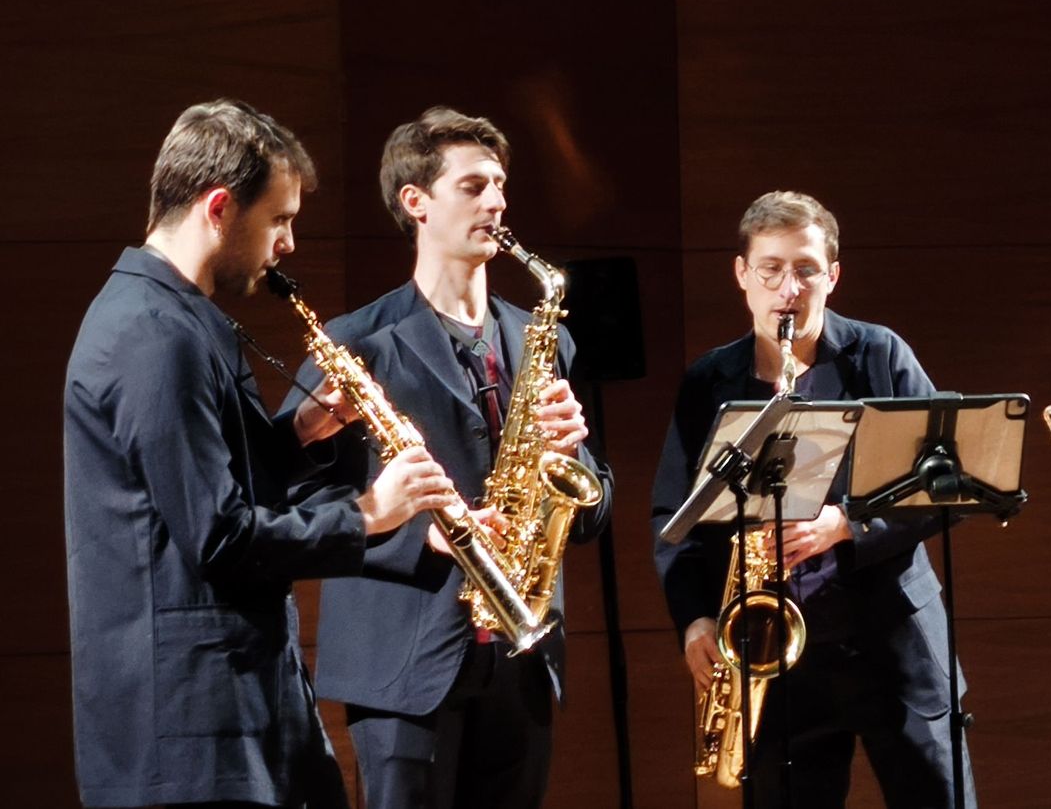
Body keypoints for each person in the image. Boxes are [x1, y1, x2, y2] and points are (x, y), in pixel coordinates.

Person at [64, 99, 454, 808]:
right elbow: (217, 537)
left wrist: (299, 432)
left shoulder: (176, 317)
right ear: (219, 207)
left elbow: (202, 484)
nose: (289, 244)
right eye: (279, 219)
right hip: (191, 736)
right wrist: (369, 511)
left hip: (231, 717)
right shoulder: (155, 334)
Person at [283, 106, 613, 809]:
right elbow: (293, 505)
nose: (496, 200)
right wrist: (415, 530)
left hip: (521, 659)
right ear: (416, 202)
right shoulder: (353, 342)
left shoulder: (543, 340)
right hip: (403, 664)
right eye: (473, 186)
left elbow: (590, 504)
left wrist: (574, 455)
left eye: (499, 185)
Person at [650, 190, 977, 807]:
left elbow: (945, 485)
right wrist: (693, 616)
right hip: (776, 658)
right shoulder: (707, 381)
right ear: (742, 275)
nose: (788, 289)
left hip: (892, 644)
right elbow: (675, 513)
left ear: (832, 275)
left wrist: (846, 524)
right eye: (770, 269)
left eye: (805, 269)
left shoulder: (879, 355)